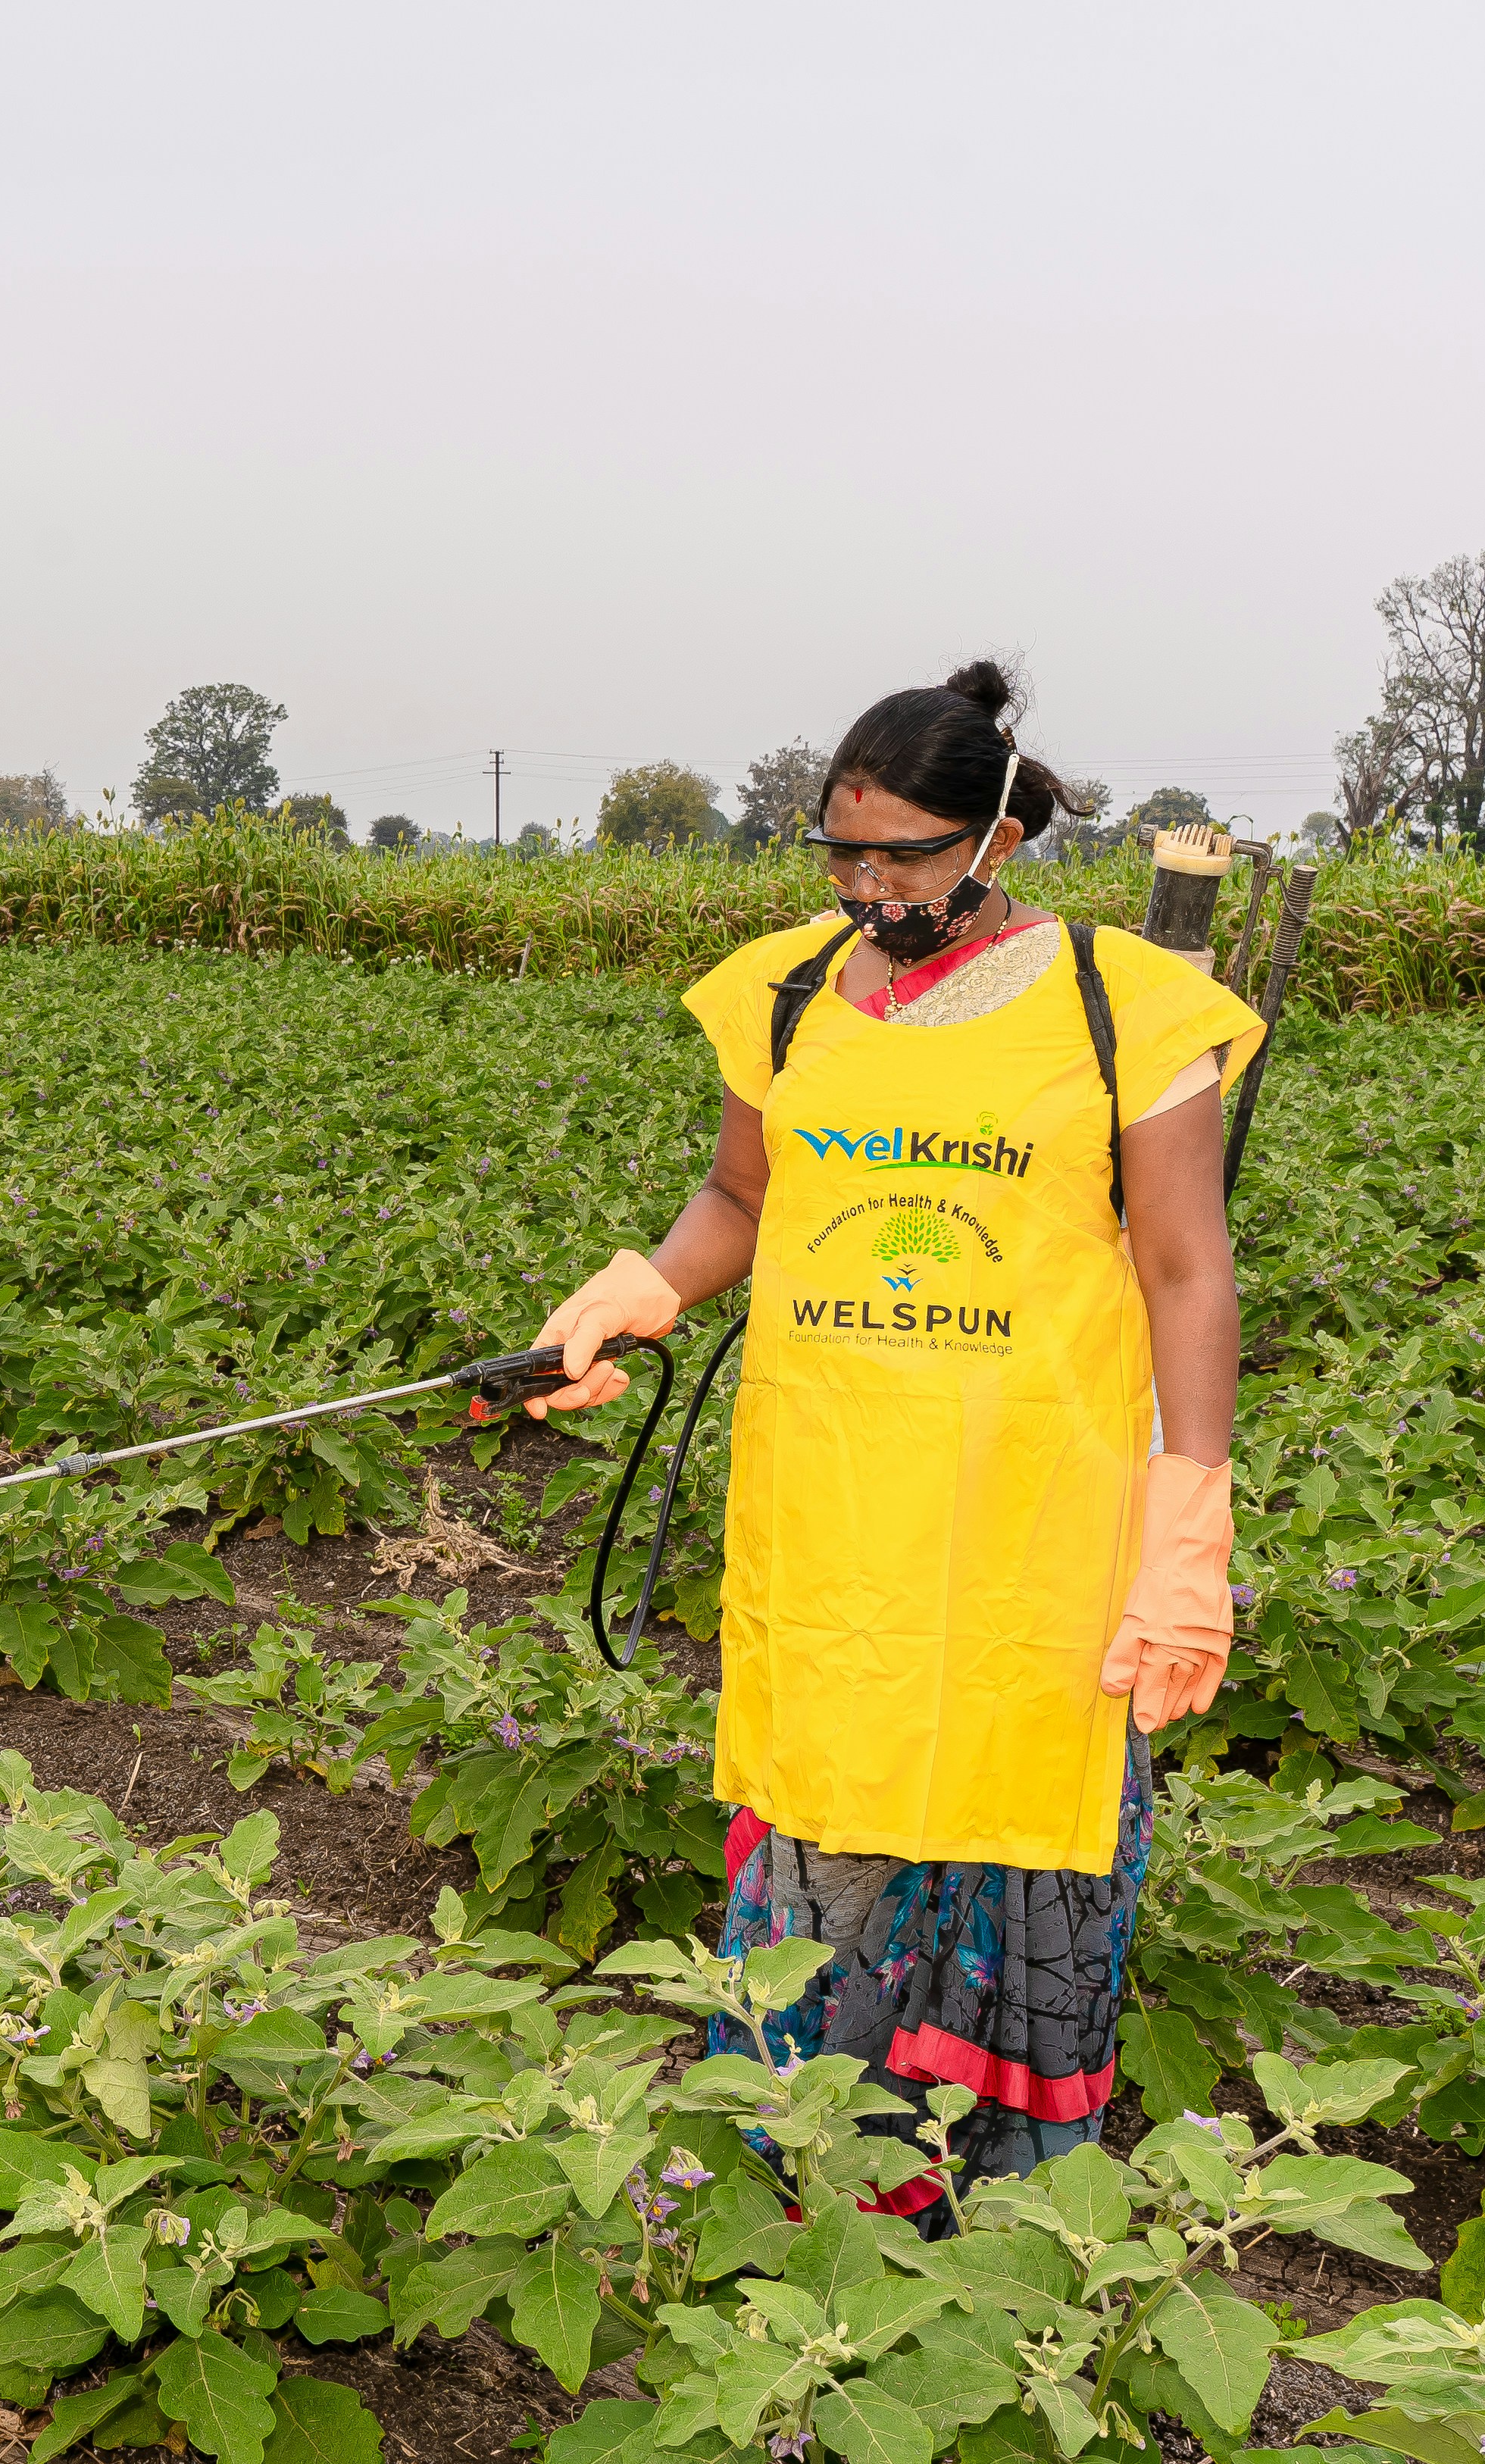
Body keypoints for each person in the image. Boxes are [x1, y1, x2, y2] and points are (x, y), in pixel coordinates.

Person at [517, 660, 1264, 2208]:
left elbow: (1187, 1266)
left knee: (1020, 1832)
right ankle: (812, 2213)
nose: (868, 886)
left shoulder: (1121, 1004)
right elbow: (742, 1197)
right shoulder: (789, 992)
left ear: (994, 835)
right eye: (842, 855)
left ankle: (1009, 2218)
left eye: (904, 855)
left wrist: (1191, 1511)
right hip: (835, 1513)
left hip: (1038, 1529)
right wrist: (641, 1286)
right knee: (826, 1841)